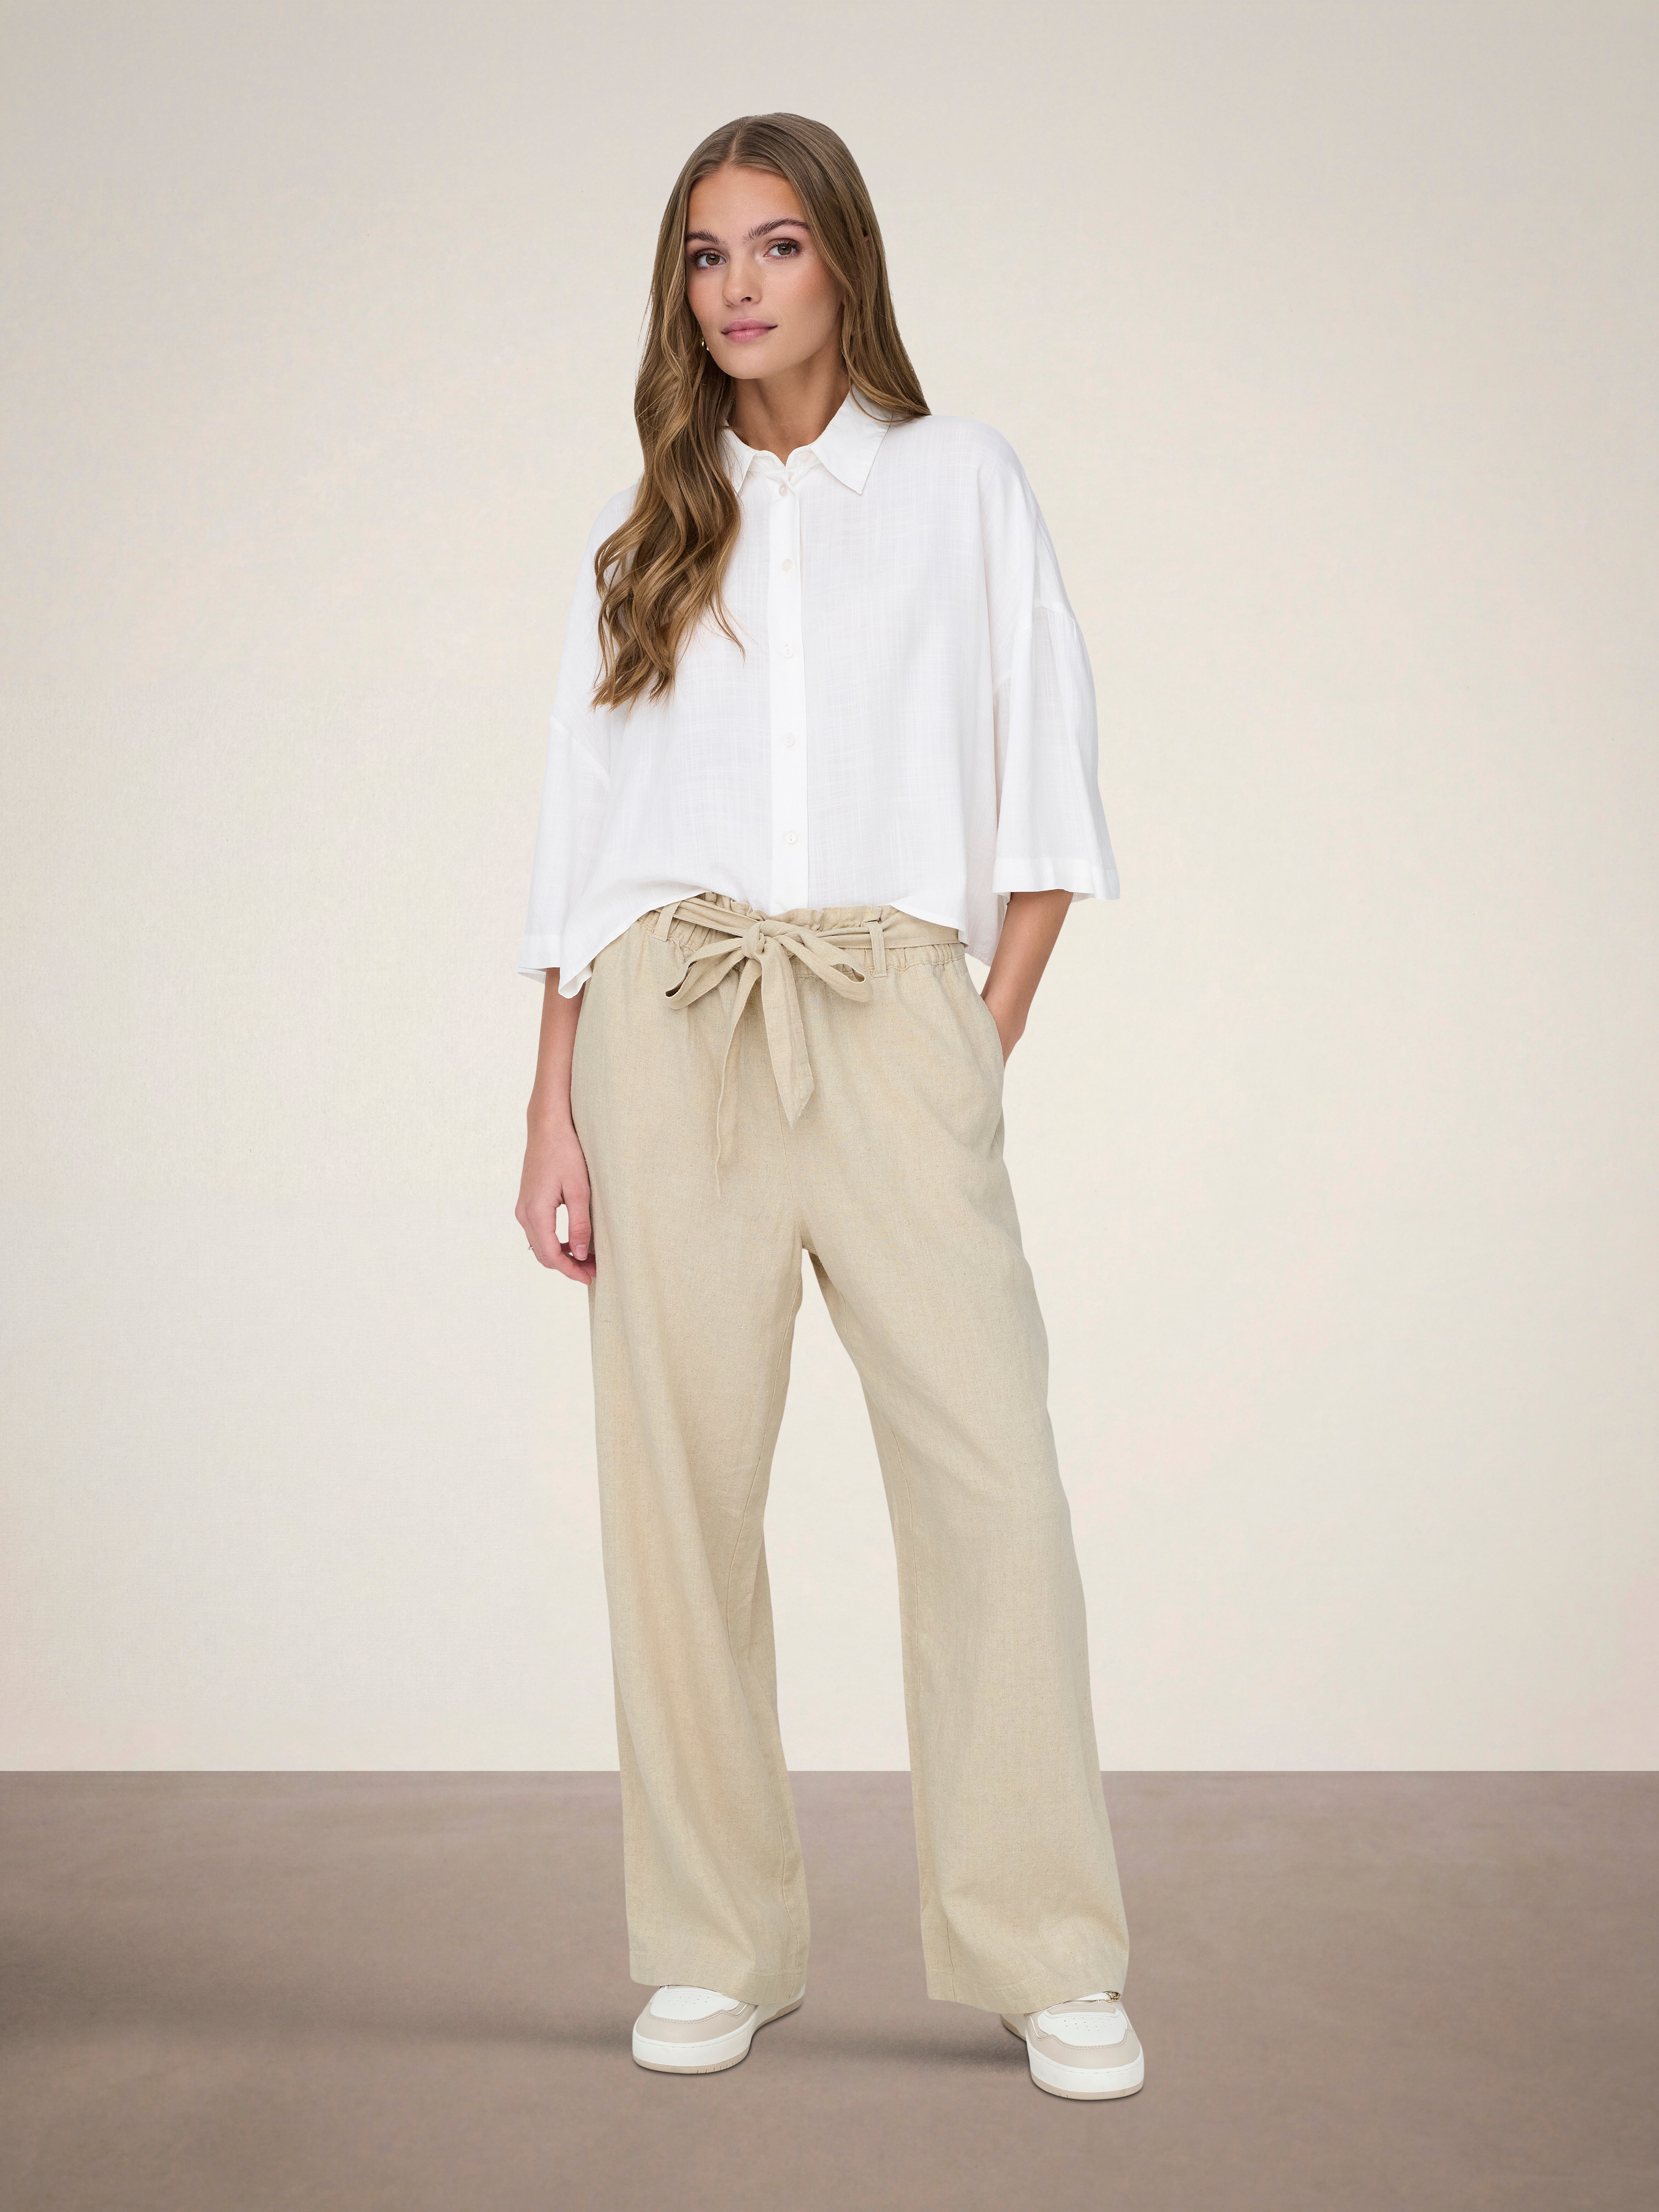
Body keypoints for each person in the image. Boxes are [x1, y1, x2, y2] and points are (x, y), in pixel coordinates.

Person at [515, 112, 1141, 2103]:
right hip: (667, 1017)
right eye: (707, 255)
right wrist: (552, 1110)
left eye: (777, 245)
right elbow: (580, 849)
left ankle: (1049, 1950)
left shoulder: (961, 484)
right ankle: (715, 1943)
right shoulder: (647, 531)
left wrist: (968, 1045)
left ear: (845, 261)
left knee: (992, 1481)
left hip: (887, 1008)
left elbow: (1046, 801)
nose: (741, 287)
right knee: (677, 1503)